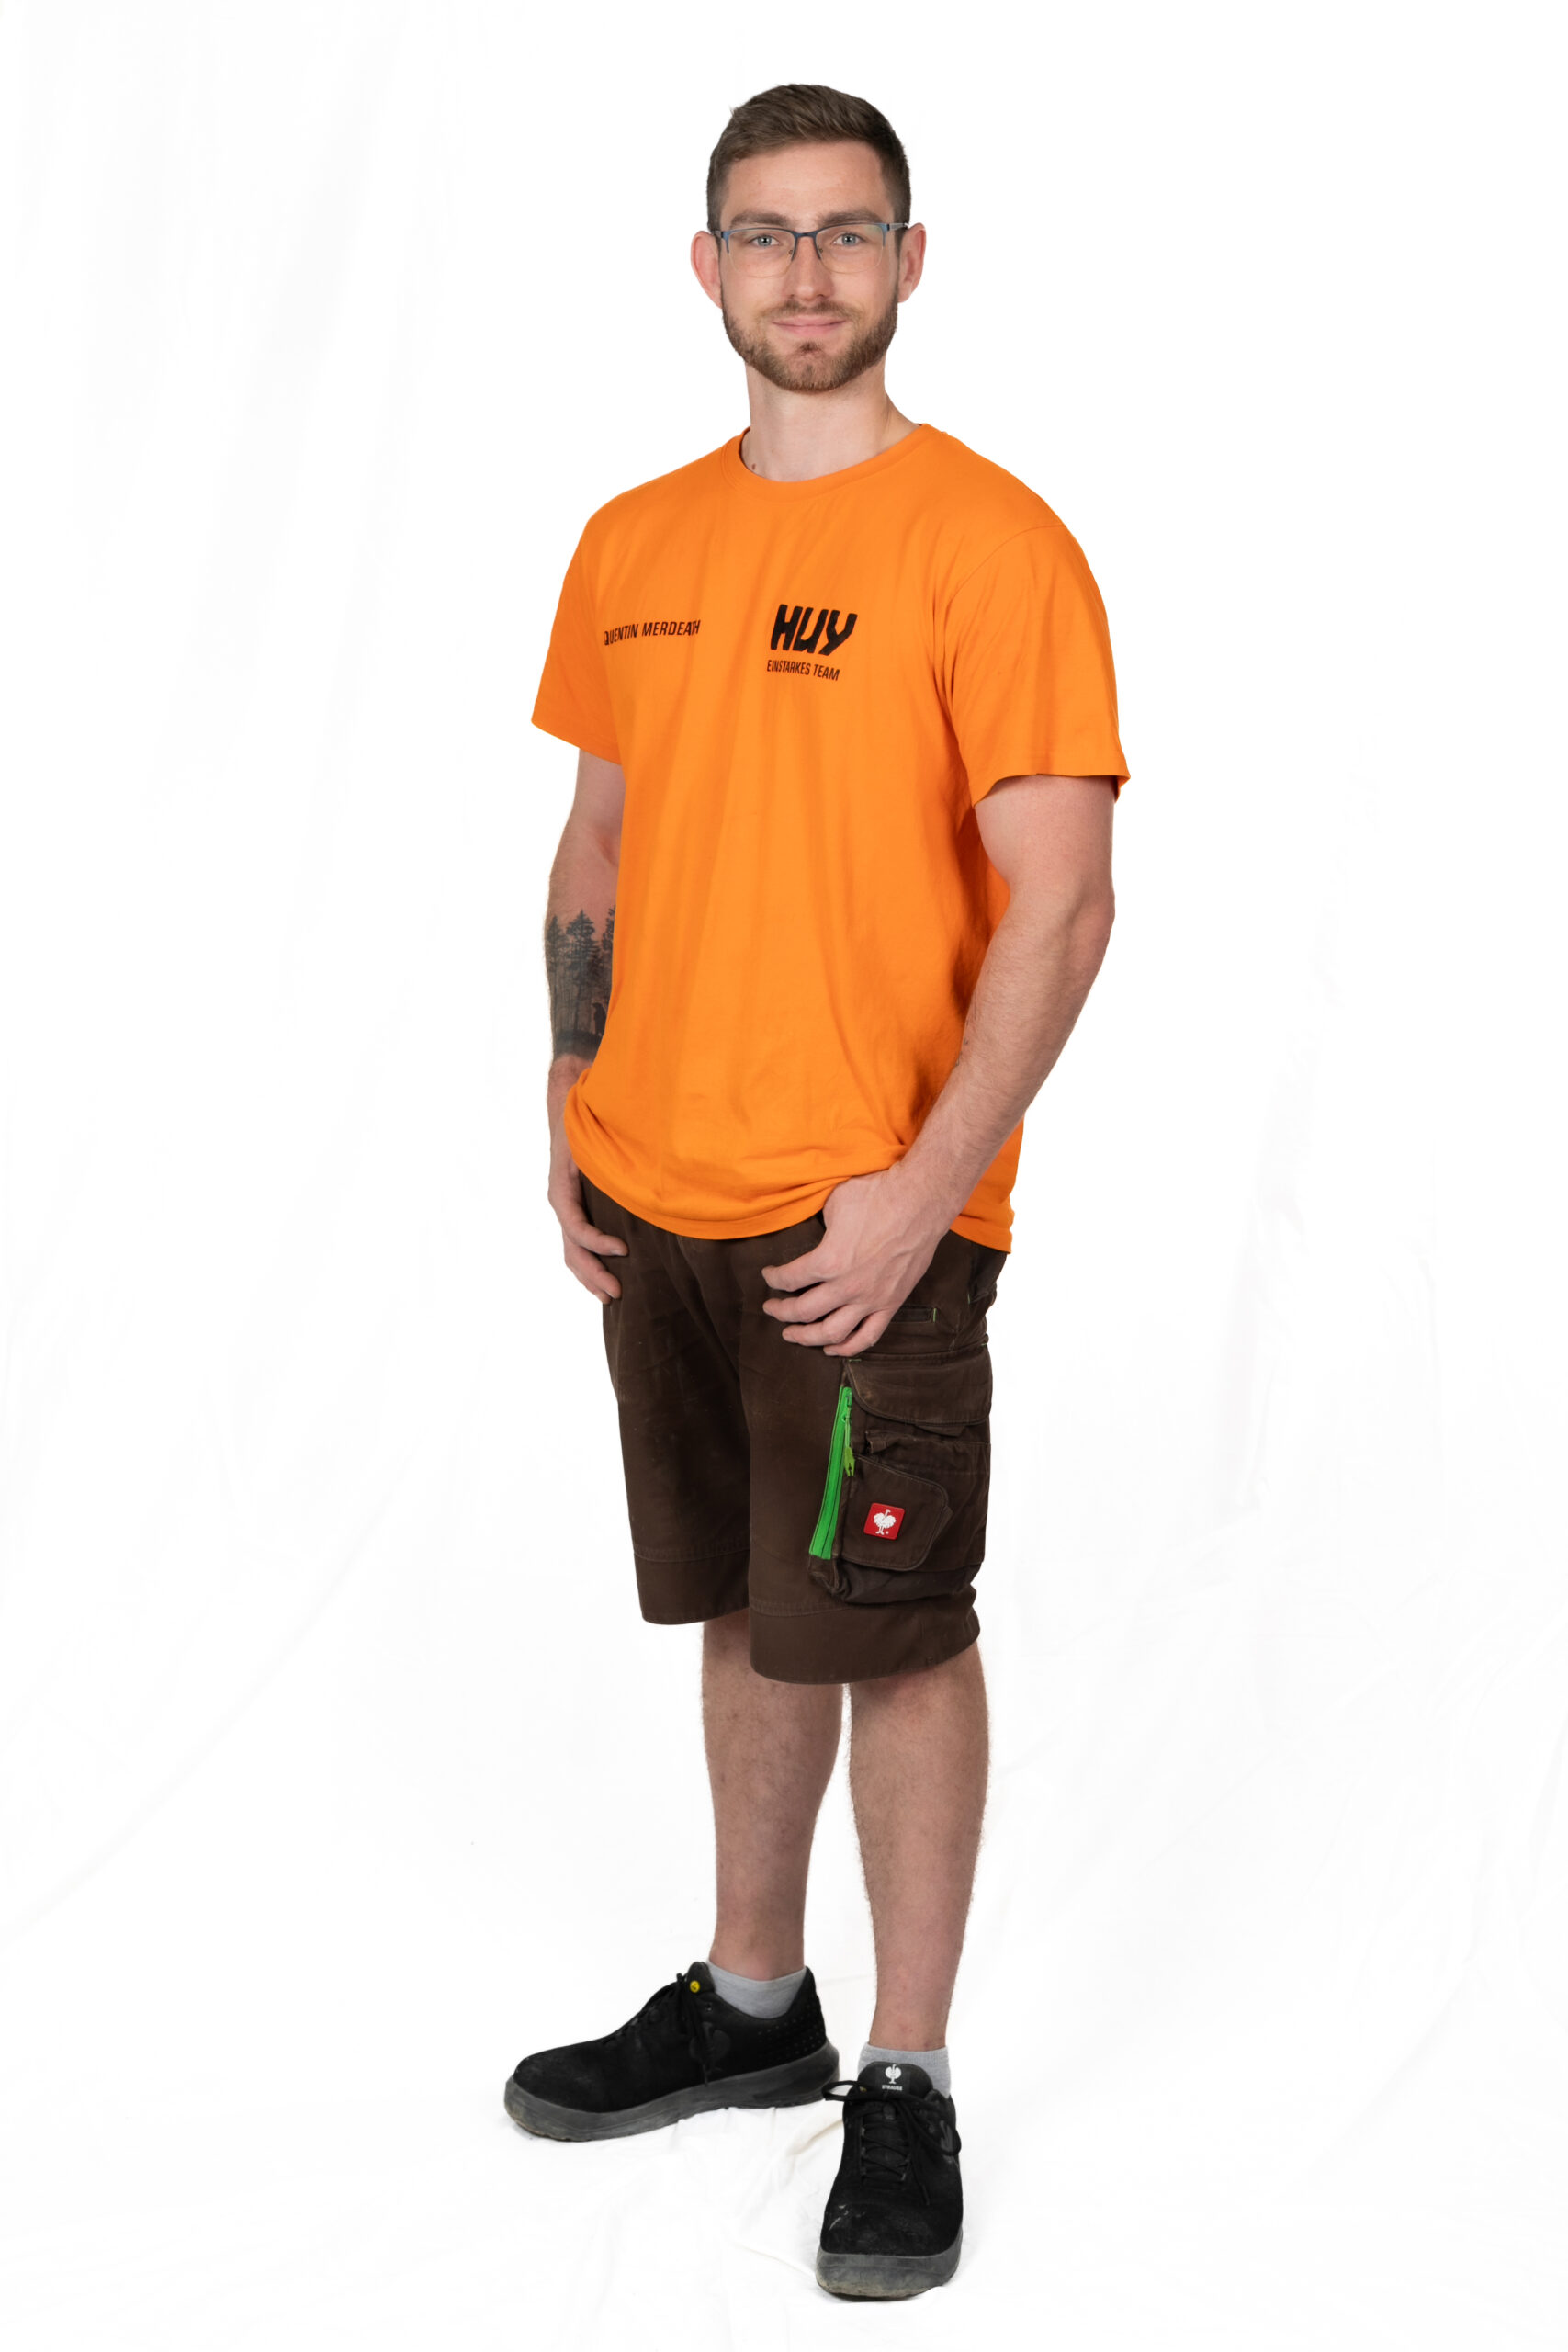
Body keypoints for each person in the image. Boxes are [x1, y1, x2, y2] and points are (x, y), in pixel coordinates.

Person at [506, 81, 1128, 2301]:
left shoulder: (989, 543)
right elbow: (600, 833)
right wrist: (566, 1087)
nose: (803, 274)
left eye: (845, 233)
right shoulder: (633, 543)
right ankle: (751, 2001)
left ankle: (906, 2070)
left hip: (870, 1223)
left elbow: (1062, 900)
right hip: (654, 1198)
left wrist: (924, 1190)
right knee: (746, 1608)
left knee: (894, 1630)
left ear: (908, 261)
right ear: (705, 267)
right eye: (763, 236)